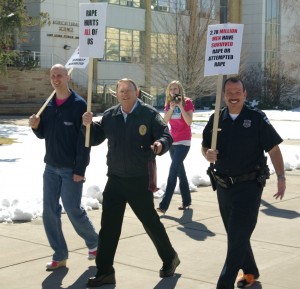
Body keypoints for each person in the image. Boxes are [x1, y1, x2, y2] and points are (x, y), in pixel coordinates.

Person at [82, 78, 180, 287]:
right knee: (108, 227)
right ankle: (105, 271)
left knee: (150, 223)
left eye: (128, 90)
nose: (124, 94)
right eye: (121, 91)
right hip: (115, 179)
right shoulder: (111, 115)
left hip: (139, 179)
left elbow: (166, 135)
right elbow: (94, 138)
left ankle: (170, 257)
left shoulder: (148, 114)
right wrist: (87, 125)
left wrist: (160, 145)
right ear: (116, 94)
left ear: (137, 93)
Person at [201, 77, 286, 289]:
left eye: (237, 92)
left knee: (237, 237)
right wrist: (207, 154)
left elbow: (274, 149)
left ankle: (224, 284)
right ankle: (250, 271)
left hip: (249, 187)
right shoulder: (216, 119)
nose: (233, 96)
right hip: (223, 186)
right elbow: (205, 147)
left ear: (245, 94)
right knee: (236, 234)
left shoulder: (256, 118)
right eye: (229, 92)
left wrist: (281, 177)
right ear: (223, 95)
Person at [28, 64, 98, 271]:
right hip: (50, 167)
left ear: (68, 77)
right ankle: (60, 255)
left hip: (70, 169)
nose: (56, 79)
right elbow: (43, 134)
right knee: (49, 211)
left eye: (59, 75)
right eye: (53, 76)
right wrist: (36, 126)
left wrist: (80, 170)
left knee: (73, 209)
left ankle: (95, 242)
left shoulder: (79, 105)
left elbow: (84, 143)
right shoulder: (48, 104)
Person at [157, 80, 194, 214]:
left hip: (184, 142)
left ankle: (164, 205)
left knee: (173, 171)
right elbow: (164, 122)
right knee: (180, 172)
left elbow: (189, 122)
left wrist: (181, 106)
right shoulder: (168, 103)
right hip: (172, 142)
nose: (173, 91)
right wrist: (172, 108)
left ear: (180, 90)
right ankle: (187, 201)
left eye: (176, 88)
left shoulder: (187, 102)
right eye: (171, 89)